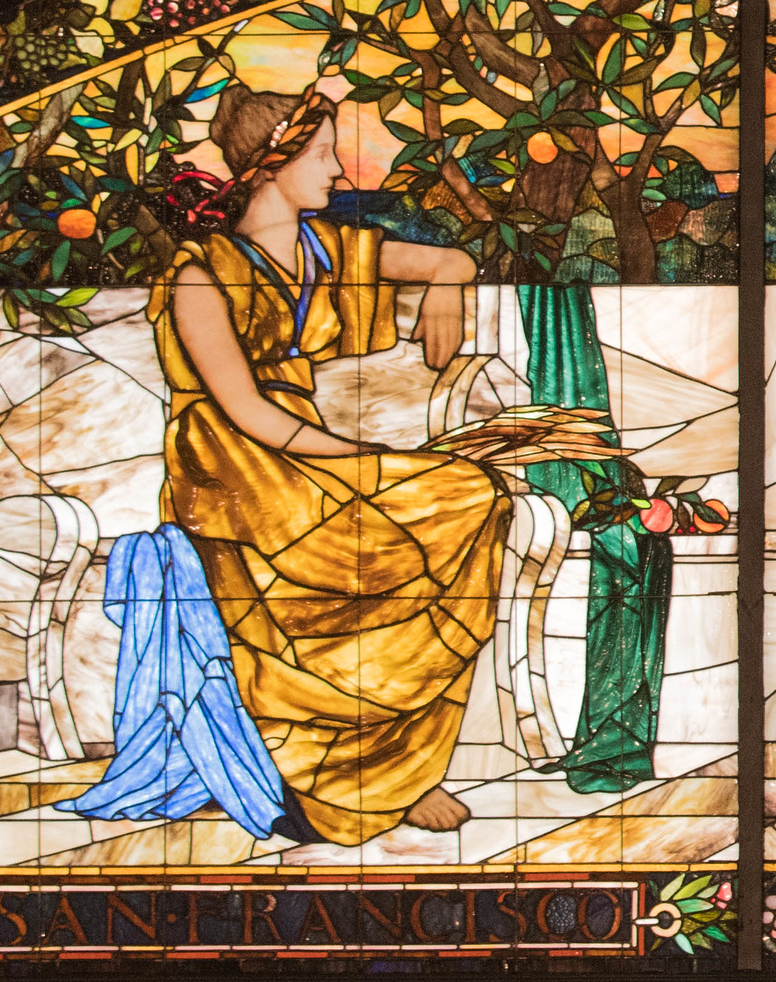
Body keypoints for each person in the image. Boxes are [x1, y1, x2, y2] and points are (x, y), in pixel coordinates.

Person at [148, 78, 539, 843]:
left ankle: (397, 769)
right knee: (388, 529)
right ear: (272, 165)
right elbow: (245, 410)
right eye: (324, 154)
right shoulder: (199, 274)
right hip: (230, 468)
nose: (338, 170)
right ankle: (320, 774)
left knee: (472, 496)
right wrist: (360, 458)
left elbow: (450, 262)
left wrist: (448, 287)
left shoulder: (325, 250)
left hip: (304, 450)